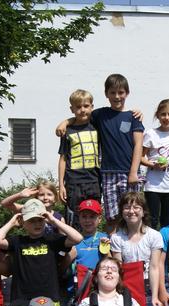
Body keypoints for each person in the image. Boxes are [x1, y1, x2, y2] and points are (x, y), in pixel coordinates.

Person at [57, 73, 145, 222]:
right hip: (107, 173)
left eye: (121, 92)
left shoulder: (133, 117)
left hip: (128, 172)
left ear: (127, 93)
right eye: (113, 92)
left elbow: (138, 145)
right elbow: (81, 116)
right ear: (106, 94)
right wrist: (65, 122)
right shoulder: (101, 114)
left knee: (132, 213)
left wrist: (133, 172)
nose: (117, 96)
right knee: (112, 217)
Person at [0, 198, 82, 304]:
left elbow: (78, 238)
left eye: (40, 220)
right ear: (23, 223)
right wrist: (11, 222)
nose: (37, 224)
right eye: (32, 221)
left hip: (49, 298)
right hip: (21, 298)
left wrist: (53, 221)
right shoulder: (17, 241)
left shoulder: (53, 240)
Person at [110, 191, 164, 306]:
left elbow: (155, 267)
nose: (131, 211)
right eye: (127, 207)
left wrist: (155, 296)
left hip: (148, 287)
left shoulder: (154, 235)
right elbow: (118, 268)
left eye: (136, 207)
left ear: (143, 211)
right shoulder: (117, 238)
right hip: (127, 290)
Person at [57, 89, 101, 227]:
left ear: (92, 107)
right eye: (78, 107)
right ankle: (73, 241)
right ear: (72, 109)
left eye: (86, 106)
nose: (82, 110)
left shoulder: (97, 126)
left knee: (93, 217)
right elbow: (63, 158)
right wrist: (61, 184)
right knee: (74, 219)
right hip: (73, 182)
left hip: (94, 181)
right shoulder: (67, 131)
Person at [141, 98, 169, 229]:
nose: (167, 118)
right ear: (157, 115)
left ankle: (165, 242)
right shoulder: (151, 134)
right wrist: (153, 165)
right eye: (163, 114)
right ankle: (151, 242)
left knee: (167, 221)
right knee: (151, 220)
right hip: (152, 186)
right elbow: (140, 157)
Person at [0, 180, 64, 234]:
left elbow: (64, 238)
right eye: (41, 195)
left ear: (55, 198)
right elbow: (4, 204)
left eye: (49, 194)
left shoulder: (58, 218)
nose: (45, 198)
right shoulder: (28, 210)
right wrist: (20, 195)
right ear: (36, 197)